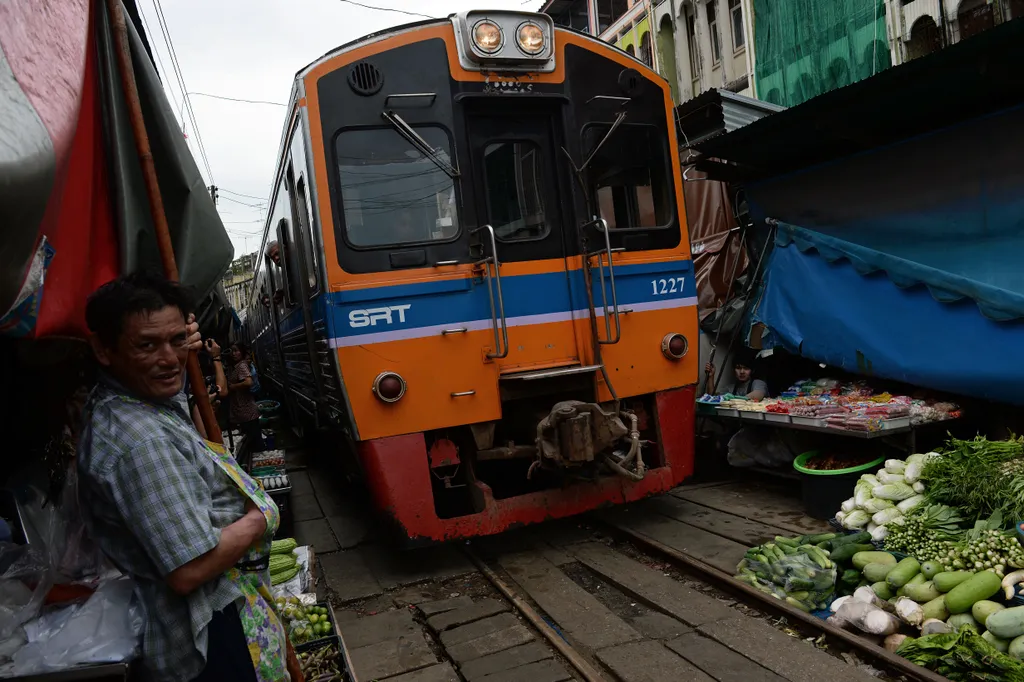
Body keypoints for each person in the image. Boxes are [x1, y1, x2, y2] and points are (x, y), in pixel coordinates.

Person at [77, 273, 289, 682]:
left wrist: (176, 343)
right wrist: (260, 517)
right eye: (147, 345)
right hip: (204, 637)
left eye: (177, 341)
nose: (170, 359)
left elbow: (169, 379)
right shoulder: (140, 442)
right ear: (103, 350)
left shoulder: (132, 398)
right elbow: (188, 571)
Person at [209, 339, 263, 453]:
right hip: (241, 412)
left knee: (255, 445)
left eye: (236, 351)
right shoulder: (234, 366)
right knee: (251, 443)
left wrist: (233, 387)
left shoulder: (241, 365)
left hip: (247, 412)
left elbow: (248, 382)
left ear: (241, 352)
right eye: (232, 351)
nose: (234, 354)